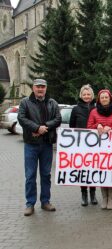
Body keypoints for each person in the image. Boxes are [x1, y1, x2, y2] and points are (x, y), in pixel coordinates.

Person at [17, 79, 62, 216]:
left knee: (46, 175)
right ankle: (30, 204)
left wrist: (44, 127)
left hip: (47, 144)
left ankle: (45, 201)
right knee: (30, 175)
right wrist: (36, 127)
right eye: (38, 87)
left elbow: (58, 119)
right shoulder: (25, 102)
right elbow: (21, 118)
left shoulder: (52, 103)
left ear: (46, 89)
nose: (40, 89)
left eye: (43, 87)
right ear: (33, 88)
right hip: (31, 144)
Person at [87, 89, 112, 210]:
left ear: (110, 98)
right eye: (102, 97)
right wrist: (97, 126)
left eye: (106, 97)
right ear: (99, 100)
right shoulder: (93, 112)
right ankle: (104, 198)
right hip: (98, 149)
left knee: (110, 173)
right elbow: (88, 127)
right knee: (102, 173)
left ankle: (111, 198)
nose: (104, 99)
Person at [69, 84, 98, 207]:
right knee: (82, 169)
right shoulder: (76, 109)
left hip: (95, 144)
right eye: (84, 94)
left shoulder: (97, 109)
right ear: (81, 95)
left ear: (92, 96)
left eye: (89, 94)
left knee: (93, 169)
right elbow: (71, 126)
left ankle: (93, 193)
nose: (86, 96)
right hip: (80, 145)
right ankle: (84, 194)